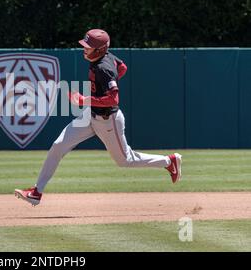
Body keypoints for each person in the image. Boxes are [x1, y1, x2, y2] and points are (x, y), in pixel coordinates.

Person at [14, 29, 182, 206]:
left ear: (100, 50)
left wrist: (84, 99)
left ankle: (168, 162)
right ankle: (36, 192)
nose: (84, 49)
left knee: (126, 161)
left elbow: (113, 98)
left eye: (88, 46)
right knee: (58, 145)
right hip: (90, 115)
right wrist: (101, 90)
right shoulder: (106, 58)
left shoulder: (103, 67)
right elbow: (122, 67)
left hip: (108, 120)